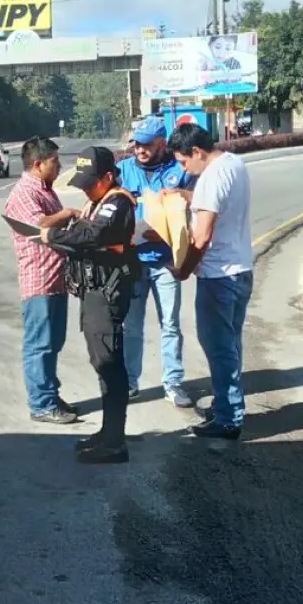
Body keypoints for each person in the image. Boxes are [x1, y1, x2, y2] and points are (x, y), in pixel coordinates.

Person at [41, 147, 138, 463]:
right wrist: (65, 233)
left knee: (110, 364)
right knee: (101, 362)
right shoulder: (98, 200)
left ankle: (115, 443)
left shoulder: (118, 202)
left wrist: (55, 235)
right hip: (93, 293)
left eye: (90, 181)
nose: (84, 187)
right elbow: (80, 233)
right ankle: (109, 433)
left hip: (106, 294)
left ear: (108, 177)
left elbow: (92, 234)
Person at [168, 122, 253, 440]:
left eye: (183, 161)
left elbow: (201, 237)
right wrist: (184, 196)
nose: (183, 167)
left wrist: (184, 269)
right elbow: (218, 203)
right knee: (230, 345)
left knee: (219, 349)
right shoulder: (233, 163)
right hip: (241, 270)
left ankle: (229, 418)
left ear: (197, 152)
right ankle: (225, 407)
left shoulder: (210, 178)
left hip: (218, 277)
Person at [115, 115, 195, 408]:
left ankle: (173, 382)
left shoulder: (179, 171)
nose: (140, 150)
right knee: (131, 326)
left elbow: (196, 206)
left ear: (162, 143)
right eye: (137, 144)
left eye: (147, 145)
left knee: (171, 324)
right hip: (134, 261)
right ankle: (130, 382)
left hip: (166, 263)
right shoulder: (123, 170)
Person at [4, 136, 78, 425]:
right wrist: (67, 213)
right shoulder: (25, 193)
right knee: (40, 344)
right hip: (39, 280)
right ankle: (41, 404)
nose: (59, 167)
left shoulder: (45, 190)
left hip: (56, 278)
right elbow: (37, 224)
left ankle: (49, 393)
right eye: (55, 162)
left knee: (54, 342)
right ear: (37, 164)